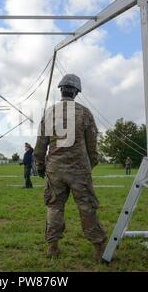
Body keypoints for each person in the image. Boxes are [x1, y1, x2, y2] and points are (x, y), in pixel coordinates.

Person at [34, 74, 107, 260]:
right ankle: (98, 247)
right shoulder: (84, 112)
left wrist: (40, 165)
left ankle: (52, 246)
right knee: (86, 207)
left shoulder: (49, 112)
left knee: (54, 206)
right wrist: (91, 164)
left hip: (55, 169)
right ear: (76, 91)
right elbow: (92, 144)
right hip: (79, 169)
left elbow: (41, 143)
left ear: (61, 90)